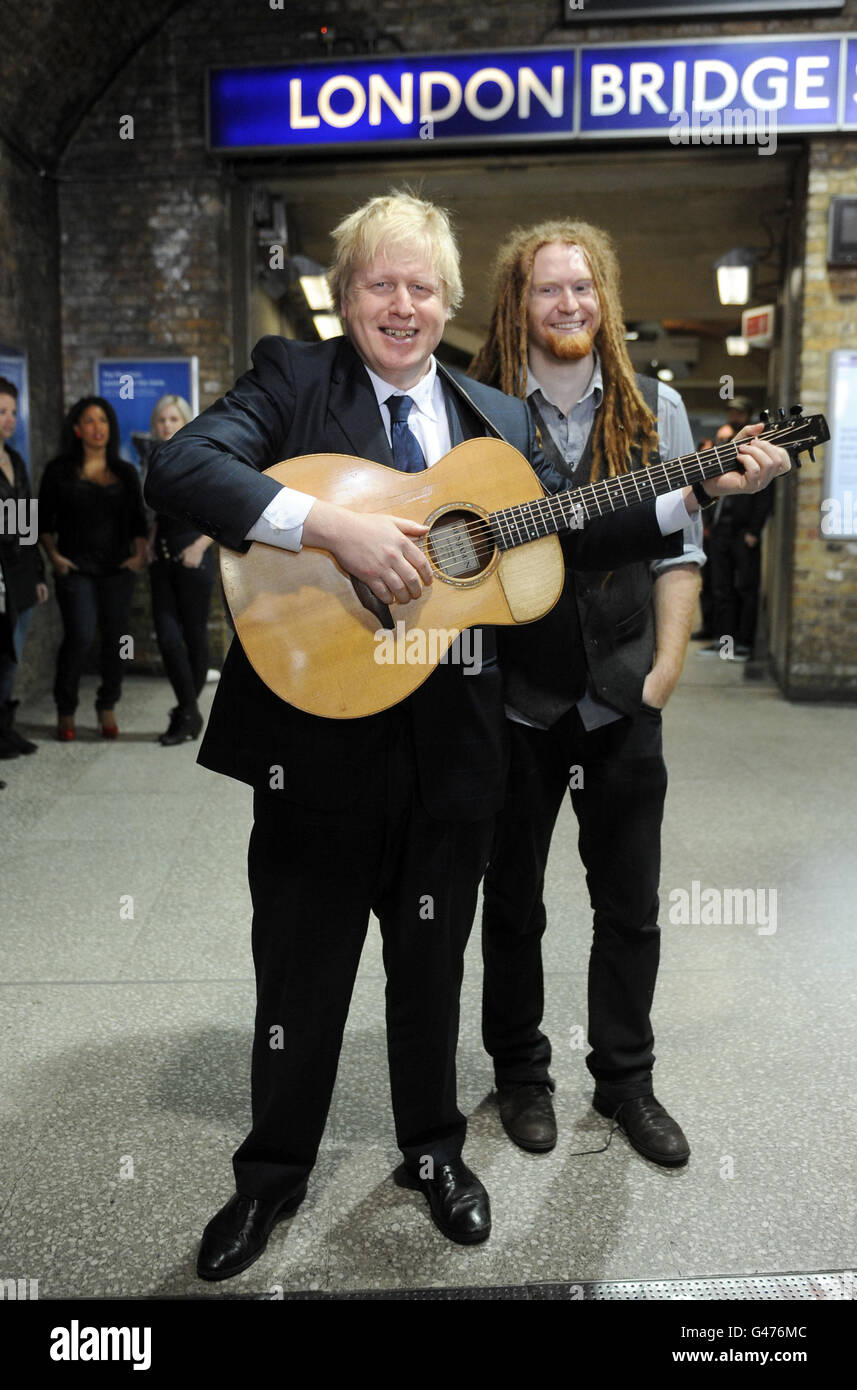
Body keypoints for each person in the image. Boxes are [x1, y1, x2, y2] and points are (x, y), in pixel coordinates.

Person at [142, 190, 773, 1281]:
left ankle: (430, 1152)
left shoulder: (498, 416)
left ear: (446, 300)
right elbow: (185, 469)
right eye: (378, 285)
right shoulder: (293, 382)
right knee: (300, 971)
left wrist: (691, 489)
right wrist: (329, 525)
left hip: (452, 749)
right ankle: (271, 1174)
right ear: (344, 300)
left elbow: (564, 532)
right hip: (318, 735)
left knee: (430, 966)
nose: (401, 305)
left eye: (420, 286)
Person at [469, 220, 789, 1167]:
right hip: (513, 699)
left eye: (582, 288)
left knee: (631, 906)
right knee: (511, 903)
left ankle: (624, 1082)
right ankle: (522, 1075)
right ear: (516, 303)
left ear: (602, 299)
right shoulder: (480, 408)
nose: (566, 304)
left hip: (620, 696)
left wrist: (665, 669)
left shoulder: (655, 411)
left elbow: (678, 549)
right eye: (546, 290)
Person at [38, 397, 148, 740]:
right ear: (76, 428)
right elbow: (39, 521)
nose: (97, 427)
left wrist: (138, 556)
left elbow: (138, 524)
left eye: (103, 420)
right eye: (89, 420)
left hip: (117, 570)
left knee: (117, 641)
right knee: (81, 636)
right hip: (75, 569)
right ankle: (66, 708)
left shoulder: (125, 472)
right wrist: (54, 557)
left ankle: (107, 705)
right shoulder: (57, 471)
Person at [146, 394, 215, 745]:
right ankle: (189, 711)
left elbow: (223, 510)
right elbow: (162, 509)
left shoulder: (202, 455)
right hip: (161, 558)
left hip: (193, 557)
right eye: (161, 420)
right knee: (168, 636)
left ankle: (184, 713)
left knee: (194, 635)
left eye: (173, 419)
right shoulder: (156, 457)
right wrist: (150, 540)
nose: (167, 426)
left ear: (186, 421)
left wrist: (199, 546)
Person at [0, 377, 48, 758]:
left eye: (13, 412)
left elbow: (25, 521)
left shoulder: (14, 460)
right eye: (1, 412)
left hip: (19, 576)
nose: (9, 419)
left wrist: (38, 574)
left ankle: (4, 729)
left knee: (10, 658)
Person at [700, 423, 773, 660]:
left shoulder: (748, 462)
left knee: (745, 588)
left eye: (727, 438)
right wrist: (709, 525)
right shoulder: (716, 464)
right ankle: (724, 643)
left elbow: (764, 494)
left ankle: (743, 643)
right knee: (721, 588)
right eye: (719, 439)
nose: (723, 442)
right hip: (720, 532)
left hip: (743, 534)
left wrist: (754, 530)